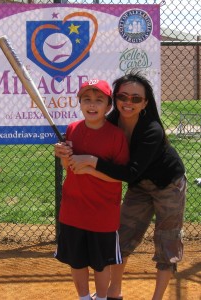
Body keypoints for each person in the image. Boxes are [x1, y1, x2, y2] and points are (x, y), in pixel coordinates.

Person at [55, 72, 187, 300]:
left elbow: (129, 172)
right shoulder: (110, 122)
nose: (128, 102)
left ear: (145, 103)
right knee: (122, 238)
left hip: (168, 184)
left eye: (136, 98)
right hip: (139, 185)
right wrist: (67, 153)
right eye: (123, 96)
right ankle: (113, 293)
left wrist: (90, 162)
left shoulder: (151, 129)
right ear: (114, 100)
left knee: (167, 242)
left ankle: (157, 298)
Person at [54, 79, 129, 300]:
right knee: (76, 260)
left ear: (108, 106)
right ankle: (84, 297)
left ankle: (102, 298)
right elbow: (68, 167)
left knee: (101, 262)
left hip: (103, 212)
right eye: (87, 99)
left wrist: (89, 169)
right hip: (73, 209)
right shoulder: (72, 129)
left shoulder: (116, 136)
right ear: (79, 103)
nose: (92, 105)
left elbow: (119, 177)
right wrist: (63, 156)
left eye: (99, 100)